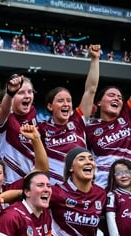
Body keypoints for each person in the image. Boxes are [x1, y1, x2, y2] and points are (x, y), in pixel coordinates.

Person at [39, 45, 100, 184]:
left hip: (80, 185)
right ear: (50, 106)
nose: (66, 104)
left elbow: (90, 90)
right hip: (54, 188)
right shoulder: (41, 128)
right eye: (60, 101)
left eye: (69, 101)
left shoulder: (77, 120)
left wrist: (95, 59)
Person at [0, 74, 38, 184]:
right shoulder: (5, 117)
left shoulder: (36, 119)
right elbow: (4, 109)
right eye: (21, 93)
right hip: (8, 183)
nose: (27, 96)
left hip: (30, 185)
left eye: (30, 91)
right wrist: (10, 93)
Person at [85, 86, 131, 188]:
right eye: (111, 95)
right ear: (99, 102)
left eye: (120, 98)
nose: (117, 98)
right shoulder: (89, 129)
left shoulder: (127, 117)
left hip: (128, 186)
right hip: (102, 187)